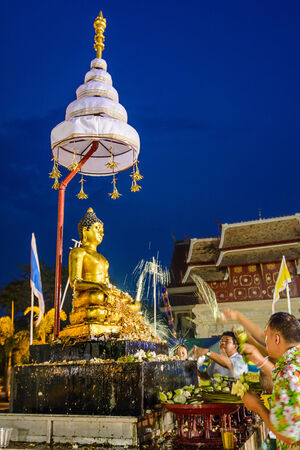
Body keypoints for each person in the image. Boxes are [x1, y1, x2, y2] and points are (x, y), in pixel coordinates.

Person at [242, 312, 300, 449]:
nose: (266, 341)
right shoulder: (293, 362)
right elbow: (282, 375)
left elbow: (288, 436)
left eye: (266, 336)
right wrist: (259, 361)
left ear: (277, 339)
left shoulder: (288, 372)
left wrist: (258, 407)